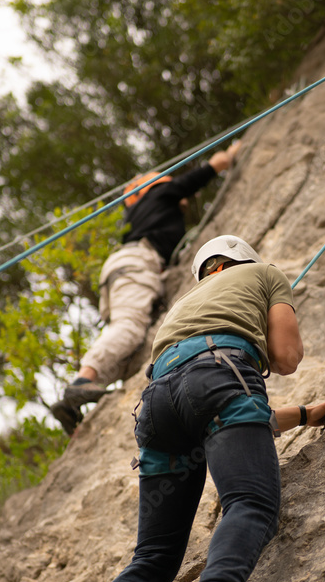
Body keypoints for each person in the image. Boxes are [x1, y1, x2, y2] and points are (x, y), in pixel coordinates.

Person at [57, 233, 325, 582]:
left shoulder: (181, 312)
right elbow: (284, 358)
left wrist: (302, 415)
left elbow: (211, 405)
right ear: (244, 261)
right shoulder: (264, 274)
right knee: (251, 502)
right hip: (221, 378)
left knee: (153, 557)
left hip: (159, 406)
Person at [50, 144, 241, 435]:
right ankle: (81, 382)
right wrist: (231, 153)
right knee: (130, 327)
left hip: (121, 268)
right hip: (136, 265)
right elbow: (208, 170)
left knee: (130, 341)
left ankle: (71, 406)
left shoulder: (136, 215)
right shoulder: (160, 193)